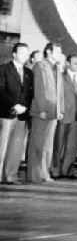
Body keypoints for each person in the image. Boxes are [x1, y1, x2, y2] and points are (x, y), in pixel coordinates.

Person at [28, 42, 64, 183]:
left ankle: (44, 173)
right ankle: (34, 175)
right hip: (42, 112)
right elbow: (39, 89)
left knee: (48, 145)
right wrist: (41, 109)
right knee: (38, 144)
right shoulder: (40, 65)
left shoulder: (56, 68)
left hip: (54, 112)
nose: (60, 54)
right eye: (57, 51)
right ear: (48, 52)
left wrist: (60, 109)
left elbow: (59, 92)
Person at [0, 43, 33, 184]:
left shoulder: (29, 72)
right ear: (14, 54)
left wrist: (24, 107)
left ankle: (11, 176)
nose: (25, 56)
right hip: (6, 113)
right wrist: (14, 105)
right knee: (2, 146)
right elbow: (0, 90)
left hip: (22, 115)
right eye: (22, 53)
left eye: (27, 53)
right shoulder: (3, 69)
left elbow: (30, 93)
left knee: (16, 148)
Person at [52, 54, 77, 178]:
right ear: (67, 63)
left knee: (71, 146)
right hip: (64, 115)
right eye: (75, 63)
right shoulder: (60, 77)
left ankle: (67, 170)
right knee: (59, 144)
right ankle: (55, 169)